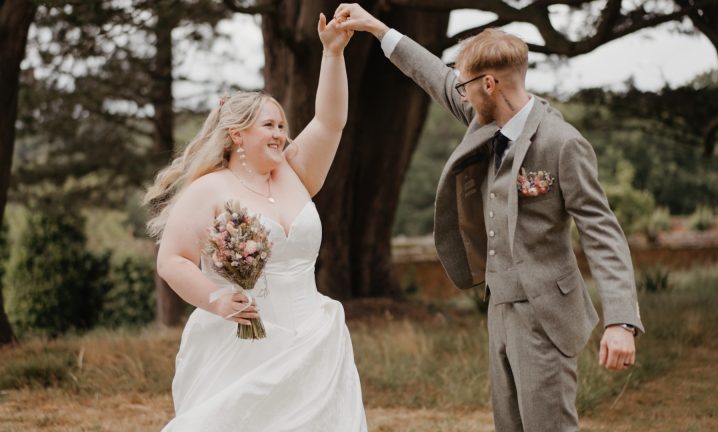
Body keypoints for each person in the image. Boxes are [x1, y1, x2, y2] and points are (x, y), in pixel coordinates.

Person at [334, 4, 643, 431]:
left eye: (465, 86)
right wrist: (376, 28)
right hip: (499, 307)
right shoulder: (482, 119)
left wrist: (622, 321)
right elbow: (433, 75)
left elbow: (603, 232)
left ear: (491, 84)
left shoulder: (561, 143)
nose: (459, 93)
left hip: (547, 313)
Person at [144, 14, 367, 432]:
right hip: (242, 340)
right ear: (236, 135)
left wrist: (332, 53)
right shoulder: (210, 190)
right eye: (269, 125)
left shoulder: (295, 172)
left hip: (313, 336)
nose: (281, 135)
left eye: (282, 126)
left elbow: (331, 121)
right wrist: (214, 300)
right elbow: (172, 260)